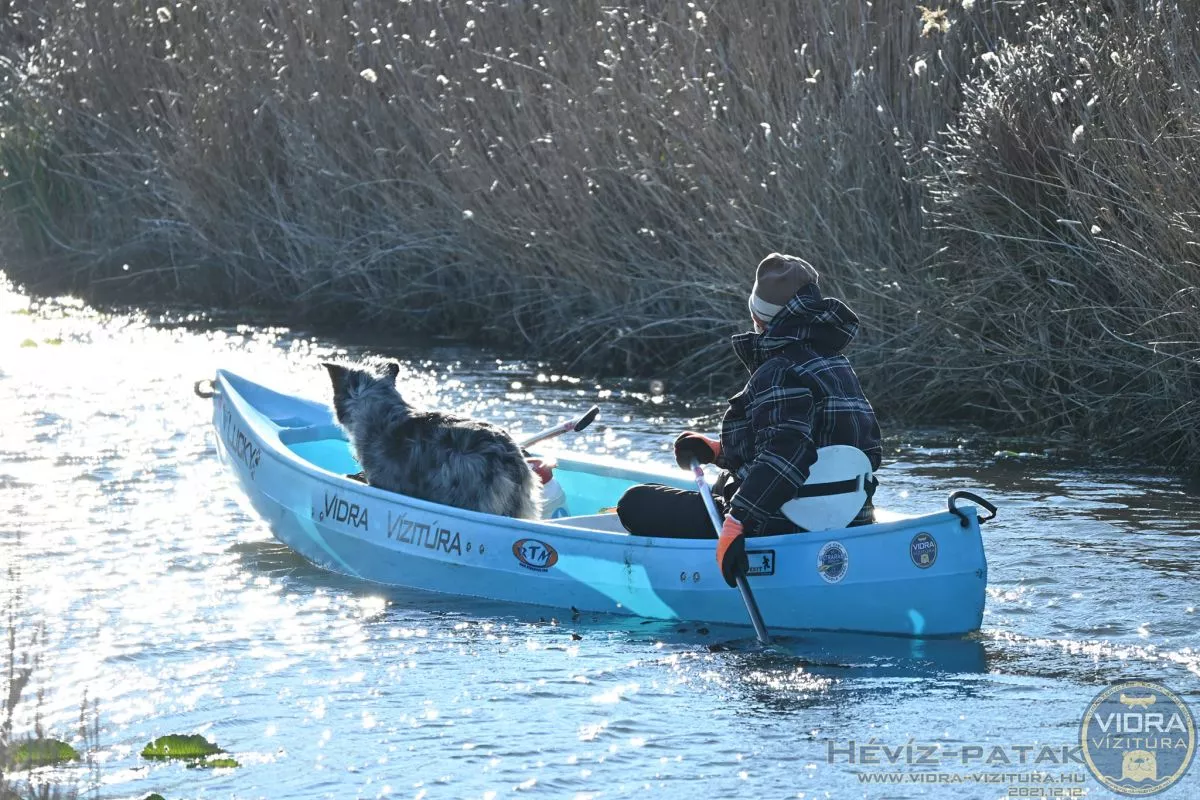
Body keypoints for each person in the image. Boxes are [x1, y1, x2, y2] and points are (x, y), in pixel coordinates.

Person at [615, 253, 882, 587]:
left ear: (759, 317)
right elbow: (843, 450)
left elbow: (787, 454)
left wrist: (738, 520)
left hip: (777, 523)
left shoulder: (778, 371)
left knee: (634, 503)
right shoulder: (838, 365)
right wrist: (718, 452)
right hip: (850, 522)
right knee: (714, 487)